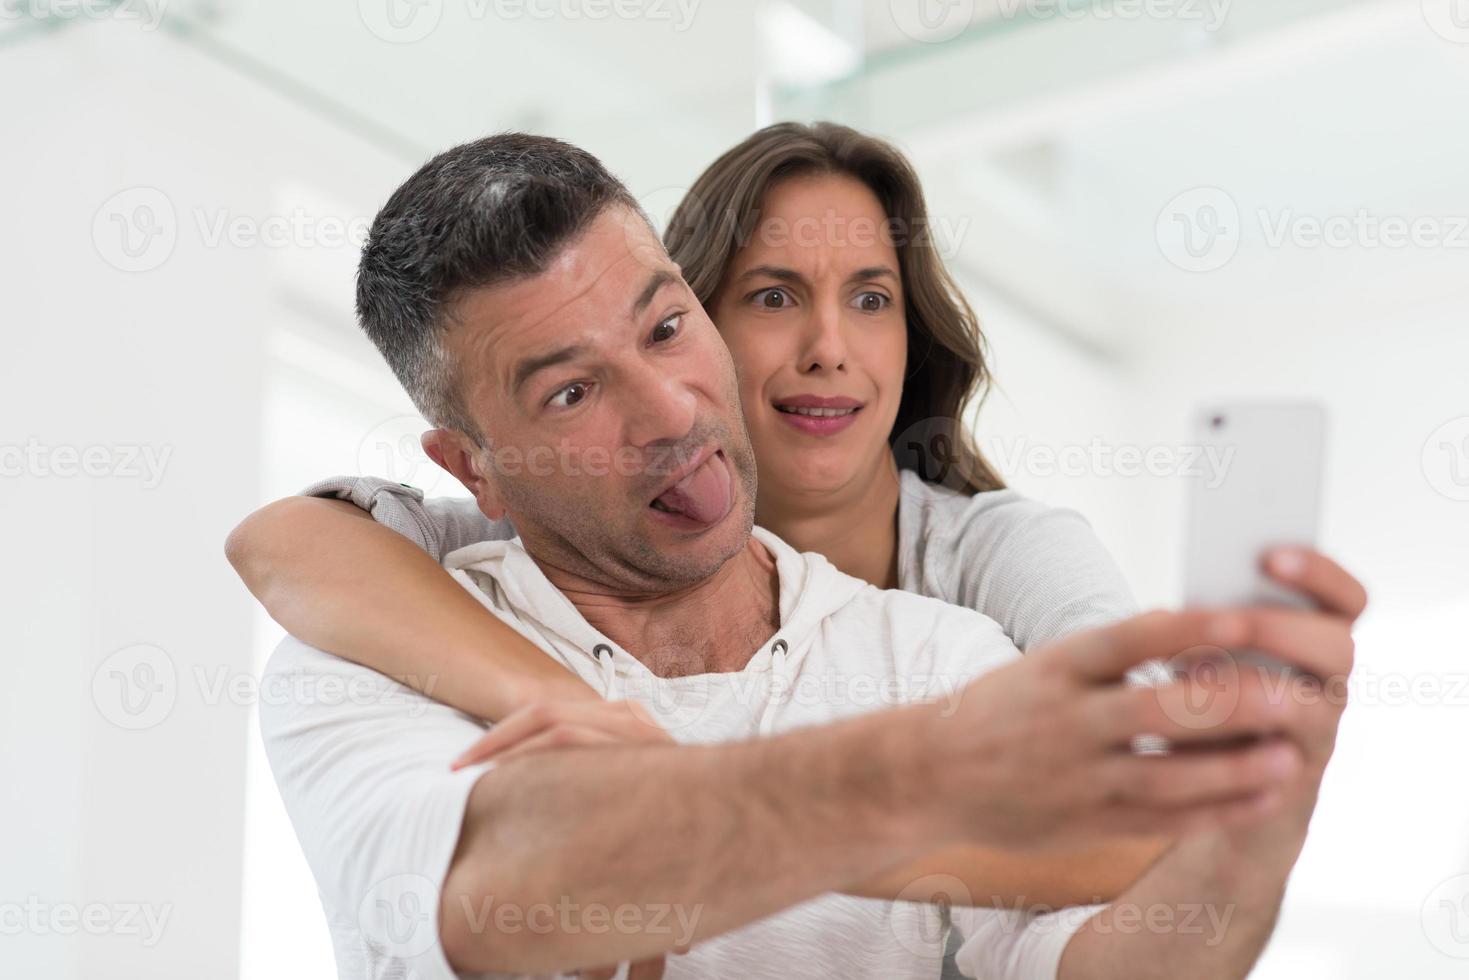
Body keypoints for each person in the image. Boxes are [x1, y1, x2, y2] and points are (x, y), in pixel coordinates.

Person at [234, 132, 1362, 979]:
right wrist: (935, 781)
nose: (667, 407)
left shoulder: (943, 648)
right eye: (573, 390)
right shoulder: (364, 666)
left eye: (667, 326)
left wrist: (1243, 840)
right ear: (472, 467)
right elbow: (494, 890)